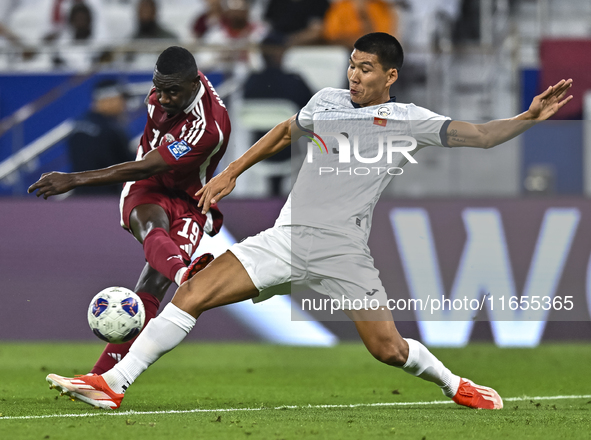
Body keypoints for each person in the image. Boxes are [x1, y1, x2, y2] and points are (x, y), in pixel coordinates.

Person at [40, 33, 573, 410]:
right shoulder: (326, 102)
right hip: (287, 239)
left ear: (390, 75)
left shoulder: (410, 119)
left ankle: (456, 384)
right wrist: (231, 173)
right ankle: (114, 383)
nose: (355, 76)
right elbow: (281, 132)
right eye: (351, 66)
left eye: (366, 69)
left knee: (388, 350)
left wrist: (526, 118)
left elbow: (478, 136)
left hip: (344, 252)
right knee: (192, 293)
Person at [29, 46, 231, 376]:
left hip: (190, 199)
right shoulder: (170, 83)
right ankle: (184, 274)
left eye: (172, 92)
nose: (163, 98)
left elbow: (145, 165)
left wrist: (73, 179)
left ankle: (99, 377)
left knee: (151, 285)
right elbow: (147, 171)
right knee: (152, 228)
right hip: (148, 186)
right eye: (159, 88)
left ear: (194, 85)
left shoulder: (207, 128)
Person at [242, 31, 313, 196]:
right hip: (292, 150)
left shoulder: (251, 82)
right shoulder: (294, 81)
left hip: (259, 150)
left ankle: (274, 195)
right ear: (282, 52)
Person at [68, 79, 133, 196]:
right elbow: (130, 166)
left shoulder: (78, 126)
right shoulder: (111, 129)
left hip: (80, 198)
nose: (124, 105)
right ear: (107, 100)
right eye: (121, 99)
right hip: (107, 200)